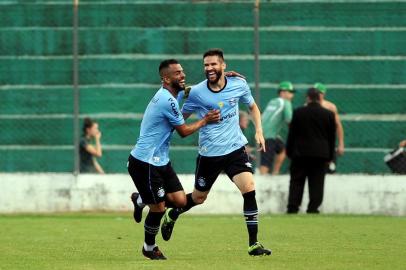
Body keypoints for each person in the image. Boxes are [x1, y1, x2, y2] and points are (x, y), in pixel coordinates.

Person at [160, 48, 271, 256]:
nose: (209, 68)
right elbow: (179, 119)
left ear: (223, 65)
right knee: (199, 198)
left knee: (249, 188)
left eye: (213, 64)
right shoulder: (197, 93)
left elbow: (253, 107)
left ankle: (253, 244)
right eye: (206, 65)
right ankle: (173, 212)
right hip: (209, 155)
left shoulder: (239, 84)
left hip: (235, 149)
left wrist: (259, 131)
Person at [128, 59, 220, 260]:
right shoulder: (166, 100)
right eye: (178, 73)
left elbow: (190, 90)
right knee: (159, 208)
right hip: (145, 162)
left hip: (160, 160)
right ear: (166, 78)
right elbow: (184, 131)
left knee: (179, 201)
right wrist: (205, 120)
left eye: (182, 72)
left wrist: (221, 77)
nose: (182, 75)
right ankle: (149, 247)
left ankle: (141, 198)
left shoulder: (174, 93)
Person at [286, 88, 336, 214]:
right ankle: (313, 208)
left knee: (297, 181)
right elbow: (331, 138)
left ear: (307, 98)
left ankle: (293, 207)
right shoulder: (329, 114)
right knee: (317, 183)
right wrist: (331, 156)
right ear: (320, 98)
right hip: (321, 154)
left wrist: (289, 151)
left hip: (300, 153)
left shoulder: (298, 112)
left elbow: (292, 134)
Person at [259, 81, 295, 175]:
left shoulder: (272, 101)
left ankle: (275, 173)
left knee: (282, 149)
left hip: (262, 133)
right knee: (266, 161)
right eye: (290, 92)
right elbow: (289, 120)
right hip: (269, 136)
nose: (292, 95)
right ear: (283, 92)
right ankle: (260, 182)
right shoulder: (286, 103)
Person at [314, 82, 345, 173]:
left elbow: (338, 125)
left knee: (330, 169)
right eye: (315, 92)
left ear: (323, 94)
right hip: (314, 143)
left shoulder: (330, 107)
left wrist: (341, 143)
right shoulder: (307, 106)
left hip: (328, 143)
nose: (317, 95)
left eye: (320, 93)